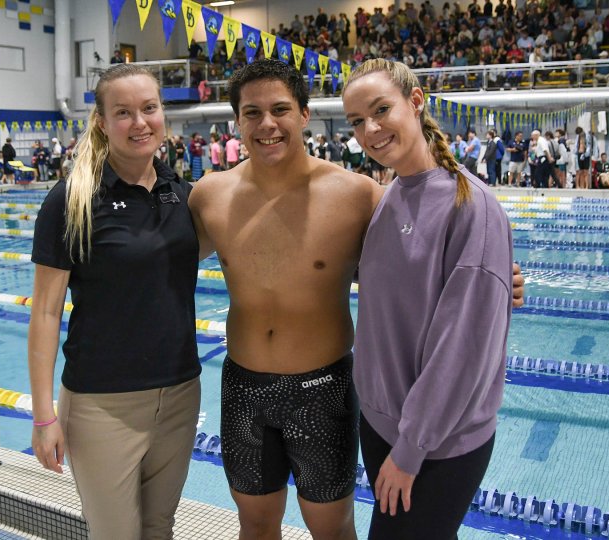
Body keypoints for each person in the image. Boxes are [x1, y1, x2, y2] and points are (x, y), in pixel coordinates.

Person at [188, 58, 524, 540]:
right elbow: (162, 268)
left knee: (335, 530)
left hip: (324, 391)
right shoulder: (209, 195)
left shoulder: (361, 196)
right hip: (245, 389)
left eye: (280, 108)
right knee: (255, 526)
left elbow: (440, 269)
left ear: (304, 114)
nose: (267, 124)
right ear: (236, 120)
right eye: (252, 112)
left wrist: (498, 279)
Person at [28, 63, 201, 539]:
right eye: (123, 112)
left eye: (149, 108)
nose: (140, 122)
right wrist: (44, 416)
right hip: (102, 404)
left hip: (182, 394)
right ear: (102, 122)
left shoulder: (182, 194)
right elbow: (45, 313)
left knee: (159, 528)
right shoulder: (72, 200)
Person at [343, 57, 513, 540]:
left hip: (435, 444)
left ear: (415, 102)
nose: (370, 129)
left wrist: (411, 448)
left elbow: (461, 351)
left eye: (381, 110)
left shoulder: (471, 206)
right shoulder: (392, 194)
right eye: (357, 120)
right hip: (381, 424)